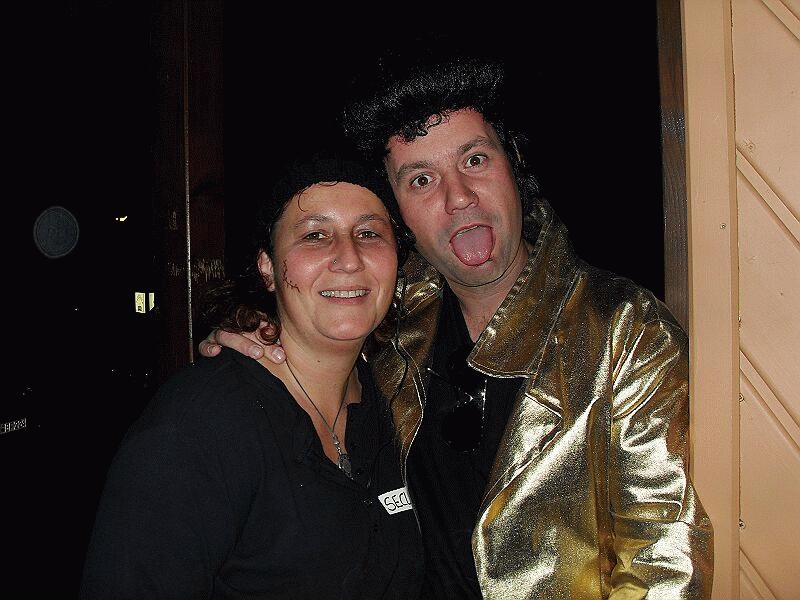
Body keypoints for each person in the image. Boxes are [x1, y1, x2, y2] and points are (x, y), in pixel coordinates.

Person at [201, 55, 714, 599]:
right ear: (398, 213)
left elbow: (664, 562)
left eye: (475, 159)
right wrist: (255, 331)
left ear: (513, 164)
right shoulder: (390, 322)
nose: (459, 196)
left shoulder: (624, 328)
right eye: (421, 179)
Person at [81, 152, 424, 599]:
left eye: (368, 233)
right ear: (268, 268)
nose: (348, 258)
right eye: (315, 235)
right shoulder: (201, 423)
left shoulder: (403, 398)